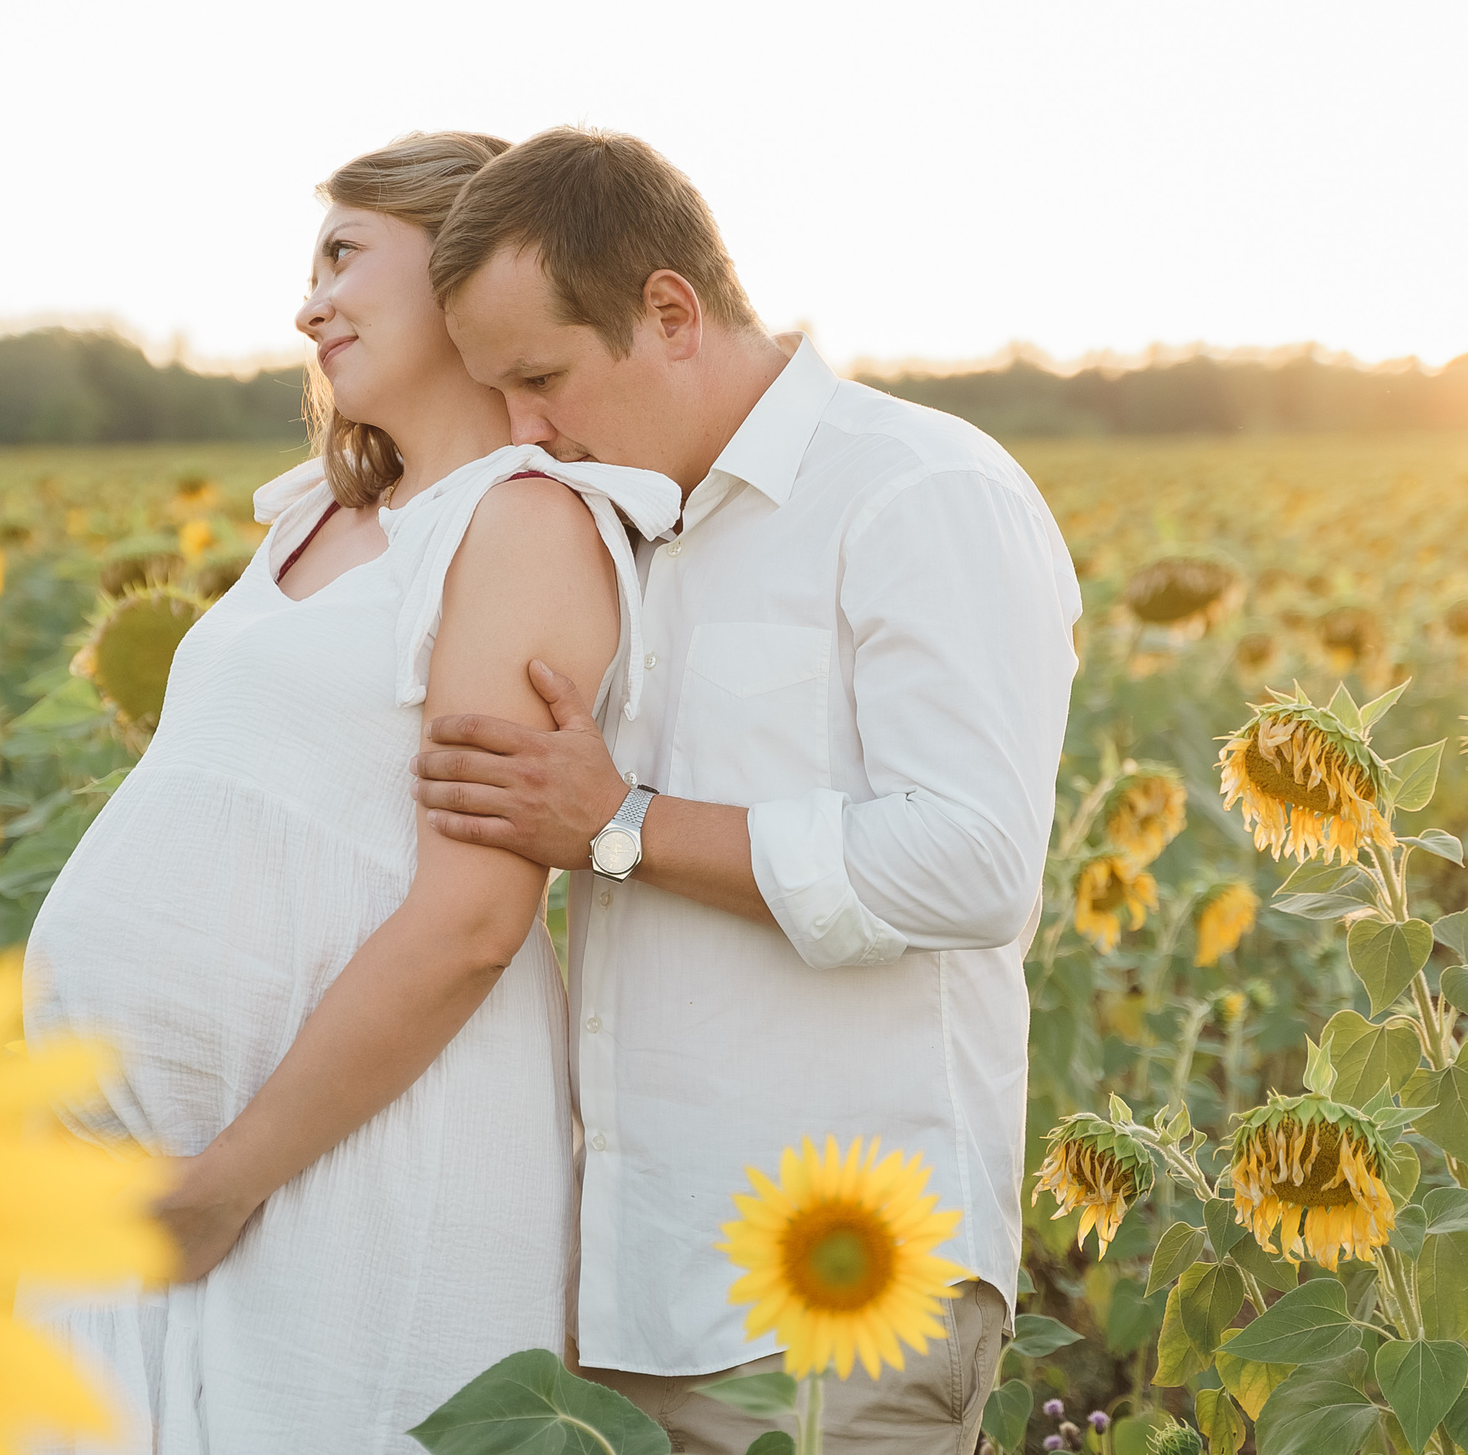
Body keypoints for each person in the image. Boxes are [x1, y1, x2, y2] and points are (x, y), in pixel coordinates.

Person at [413, 127, 1081, 1453]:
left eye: (541, 377)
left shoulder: (914, 489)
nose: (523, 431)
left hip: (845, 1305)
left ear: (670, 311)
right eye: (497, 393)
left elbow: (972, 860)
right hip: (638, 1302)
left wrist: (619, 826)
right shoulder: (631, 530)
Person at [20, 131, 678, 1452]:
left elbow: (471, 921)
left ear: (459, 269)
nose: (308, 303)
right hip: (128, 1183)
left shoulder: (522, 523)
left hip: (348, 1166)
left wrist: (223, 1185)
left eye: (340, 256)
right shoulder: (310, 520)